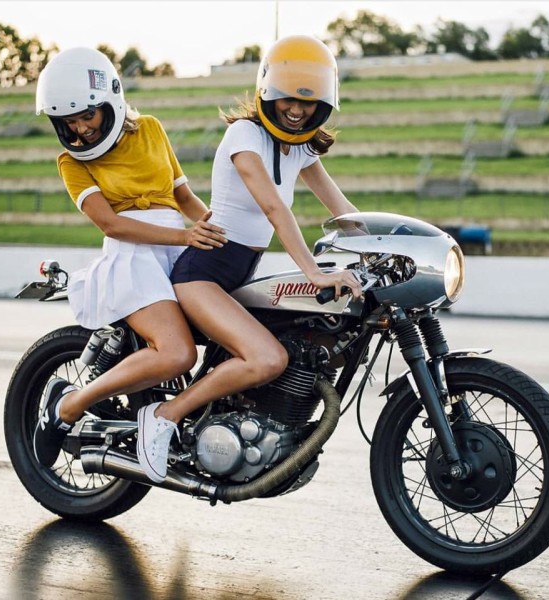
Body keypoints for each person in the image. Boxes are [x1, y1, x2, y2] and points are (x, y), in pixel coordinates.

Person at [135, 34, 363, 483]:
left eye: (308, 103)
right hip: (202, 274)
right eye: (286, 101)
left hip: (238, 276)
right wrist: (313, 272)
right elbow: (275, 208)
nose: (296, 111)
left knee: (296, 347)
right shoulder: (244, 135)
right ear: (267, 94)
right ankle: (162, 416)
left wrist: (392, 242)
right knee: (266, 359)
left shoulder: (301, 148)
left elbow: (343, 210)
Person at [32, 47, 227, 468]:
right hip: (134, 258)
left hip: (179, 248)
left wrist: (218, 231)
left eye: (88, 116)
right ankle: (67, 406)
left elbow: (183, 196)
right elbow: (111, 225)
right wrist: (185, 234)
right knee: (178, 354)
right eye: (70, 122)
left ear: (111, 101)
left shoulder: (152, 130)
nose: (81, 130)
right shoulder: (71, 163)